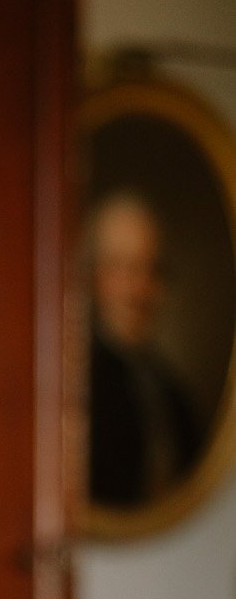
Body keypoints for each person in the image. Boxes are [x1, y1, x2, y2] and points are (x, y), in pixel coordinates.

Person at [89, 192, 202, 508]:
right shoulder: (73, 384)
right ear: (94, 276)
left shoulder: (173, 395)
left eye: (149, 270)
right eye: (122, 268)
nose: (138, 290)